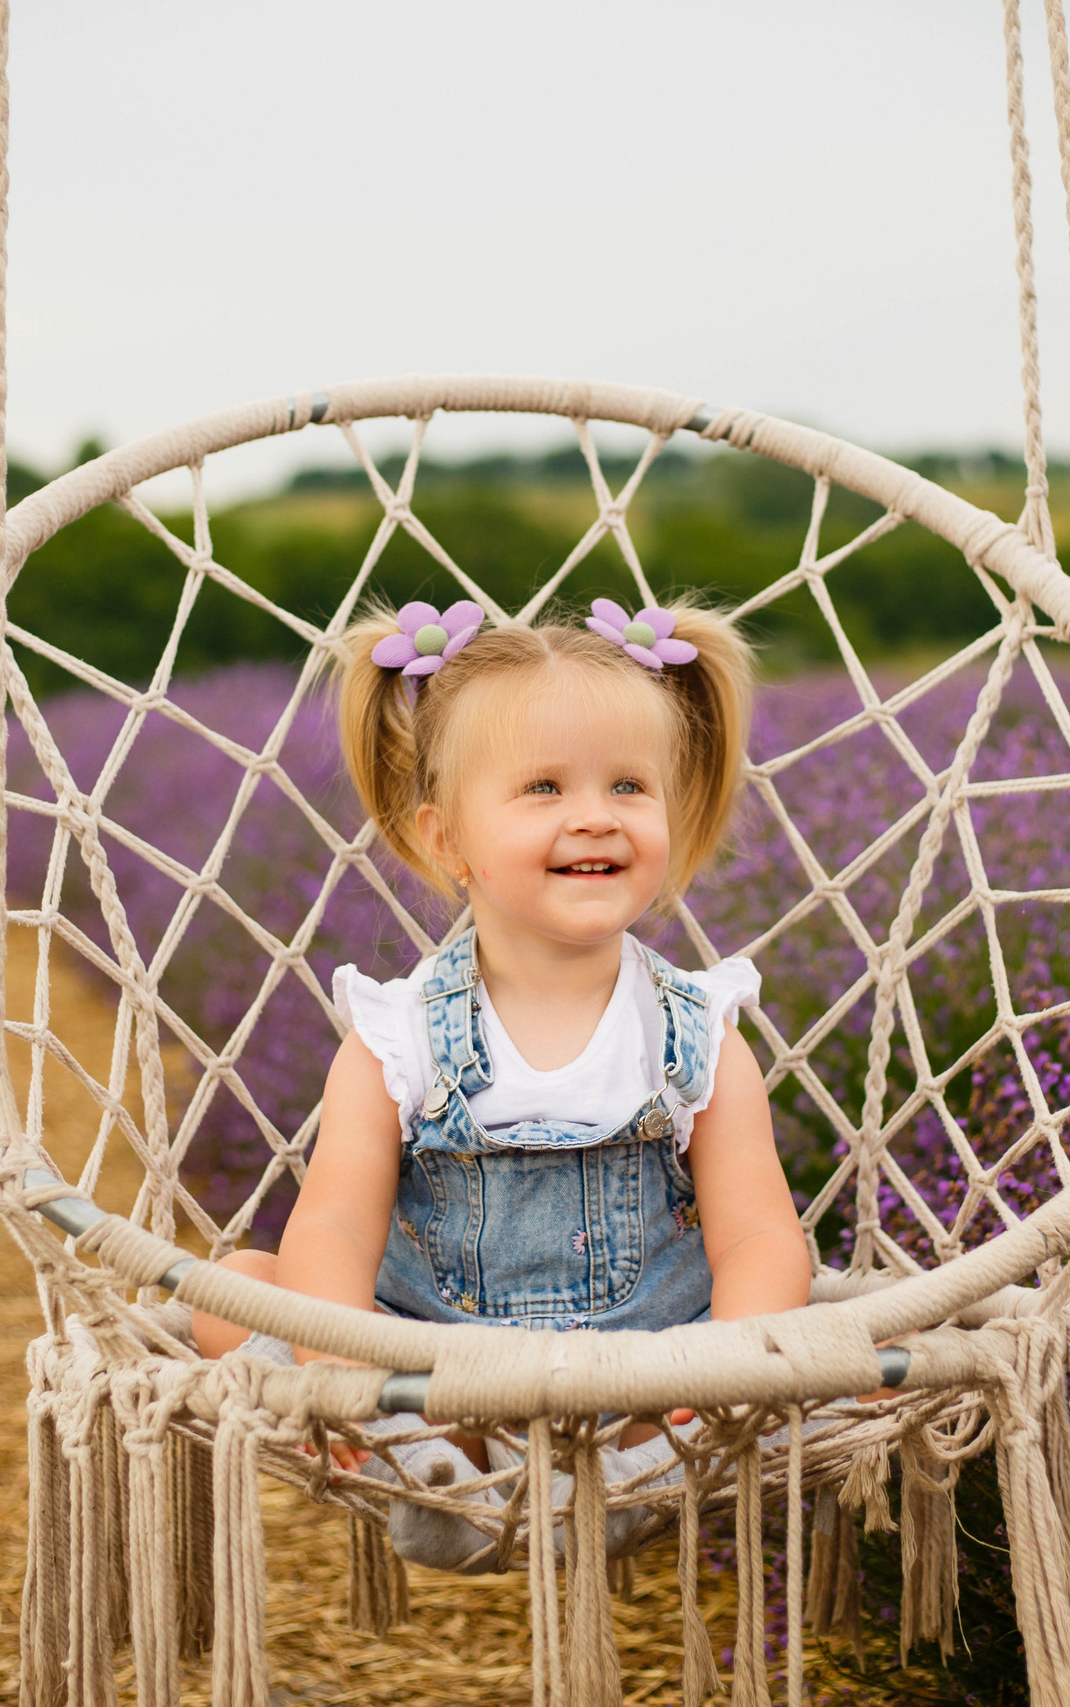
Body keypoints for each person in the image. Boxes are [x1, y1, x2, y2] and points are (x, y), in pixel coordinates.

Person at [189, 594, 812, 1569]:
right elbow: (335, 1228)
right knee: (231, 1291)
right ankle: (428, 1458)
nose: (595, 816)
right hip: (437, 1373)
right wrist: (340, 1367)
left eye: (629, 785)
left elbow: (758, 1234)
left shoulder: (698, 1032)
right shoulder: (397, 1037)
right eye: (544, 788)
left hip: (650, 1378)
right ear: (446, 839)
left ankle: (643, 1469)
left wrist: (727, 1365)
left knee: (826, 1347)